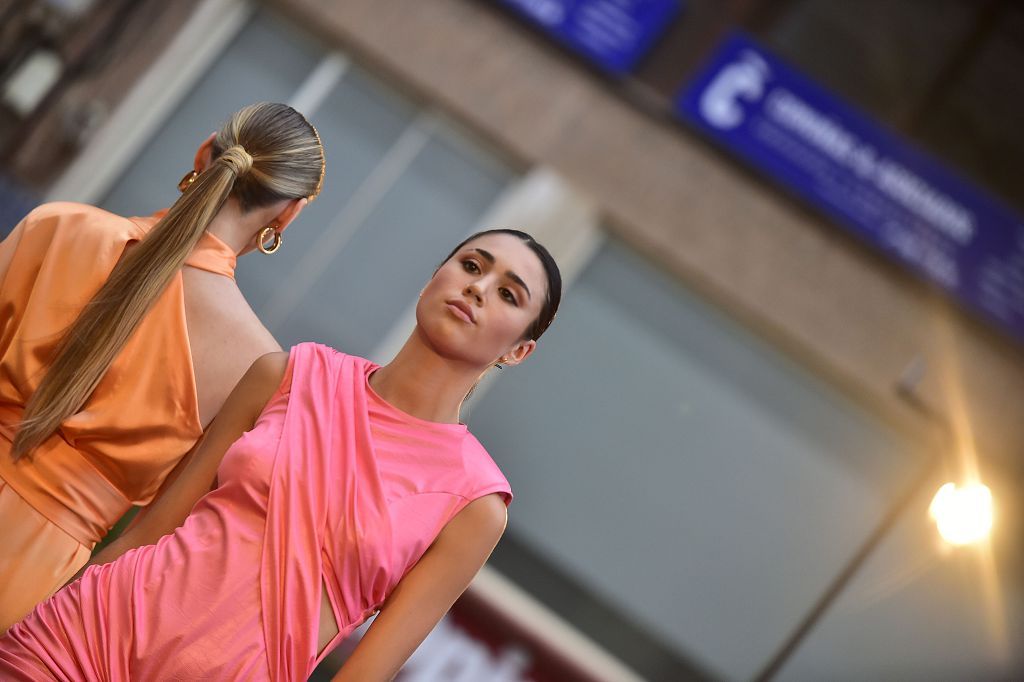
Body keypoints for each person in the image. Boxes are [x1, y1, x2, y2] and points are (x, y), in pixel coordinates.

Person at [0, 228, 562, 681]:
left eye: (509, 294)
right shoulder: (288, 374)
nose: (479, 287)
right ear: (430, 280)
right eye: (471, 266)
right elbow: (149, 530)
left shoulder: (475, 503)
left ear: (519, 350)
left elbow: (365, 674)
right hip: (79, 637)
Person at [0, 102, 325, 631]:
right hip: (36, 583)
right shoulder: (259, 367)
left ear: (205, 153)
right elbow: (156, 537)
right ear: (288, 213)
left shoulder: (59, 226)